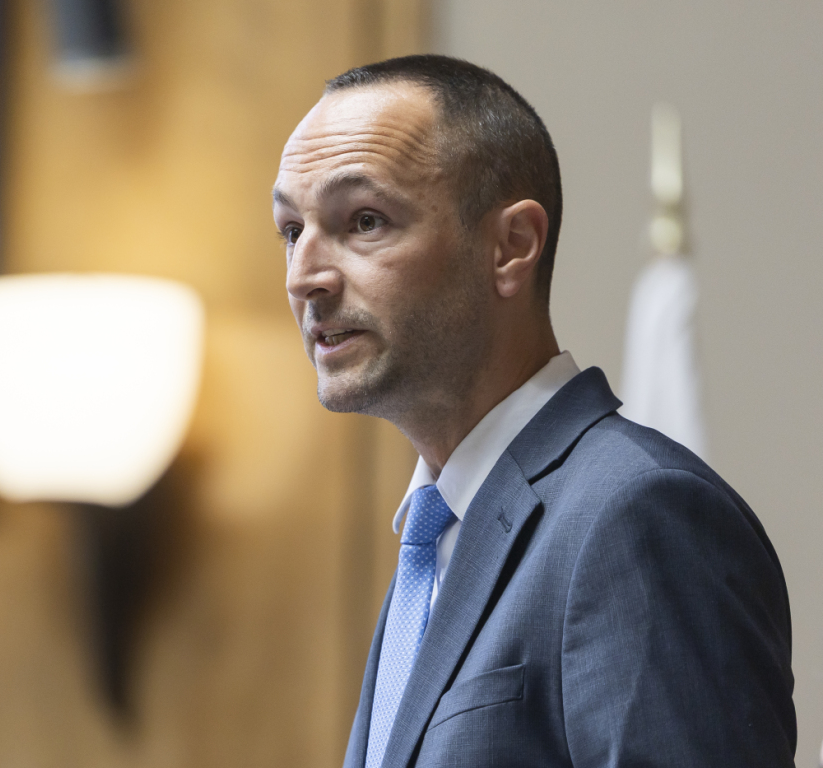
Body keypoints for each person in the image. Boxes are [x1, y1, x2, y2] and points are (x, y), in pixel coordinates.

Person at [272, 55, 795, 767]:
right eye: (291, 231)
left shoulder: (636, 514)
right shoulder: (433, 543)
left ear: (511, 247)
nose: (304, 276)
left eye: (364, 220)